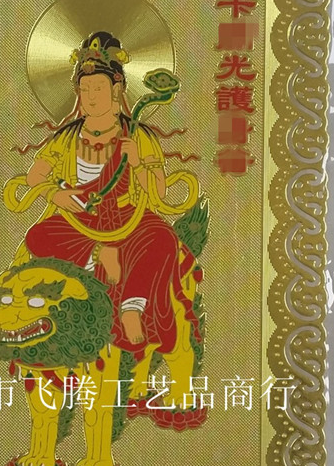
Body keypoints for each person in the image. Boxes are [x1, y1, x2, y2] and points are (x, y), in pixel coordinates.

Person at [21, 31, 201, 354]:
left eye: (98, 88)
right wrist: (57, 195)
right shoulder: (68, 137)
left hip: (128, 221)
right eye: (85, 89)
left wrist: (138, 163)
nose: (91, 97)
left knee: (162, 239)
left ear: (116, 89)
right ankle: (97, 256)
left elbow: (160, 192)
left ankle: (132, 305)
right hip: (80, 222)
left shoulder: (139, 135)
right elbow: (35, 176)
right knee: (37, 236)